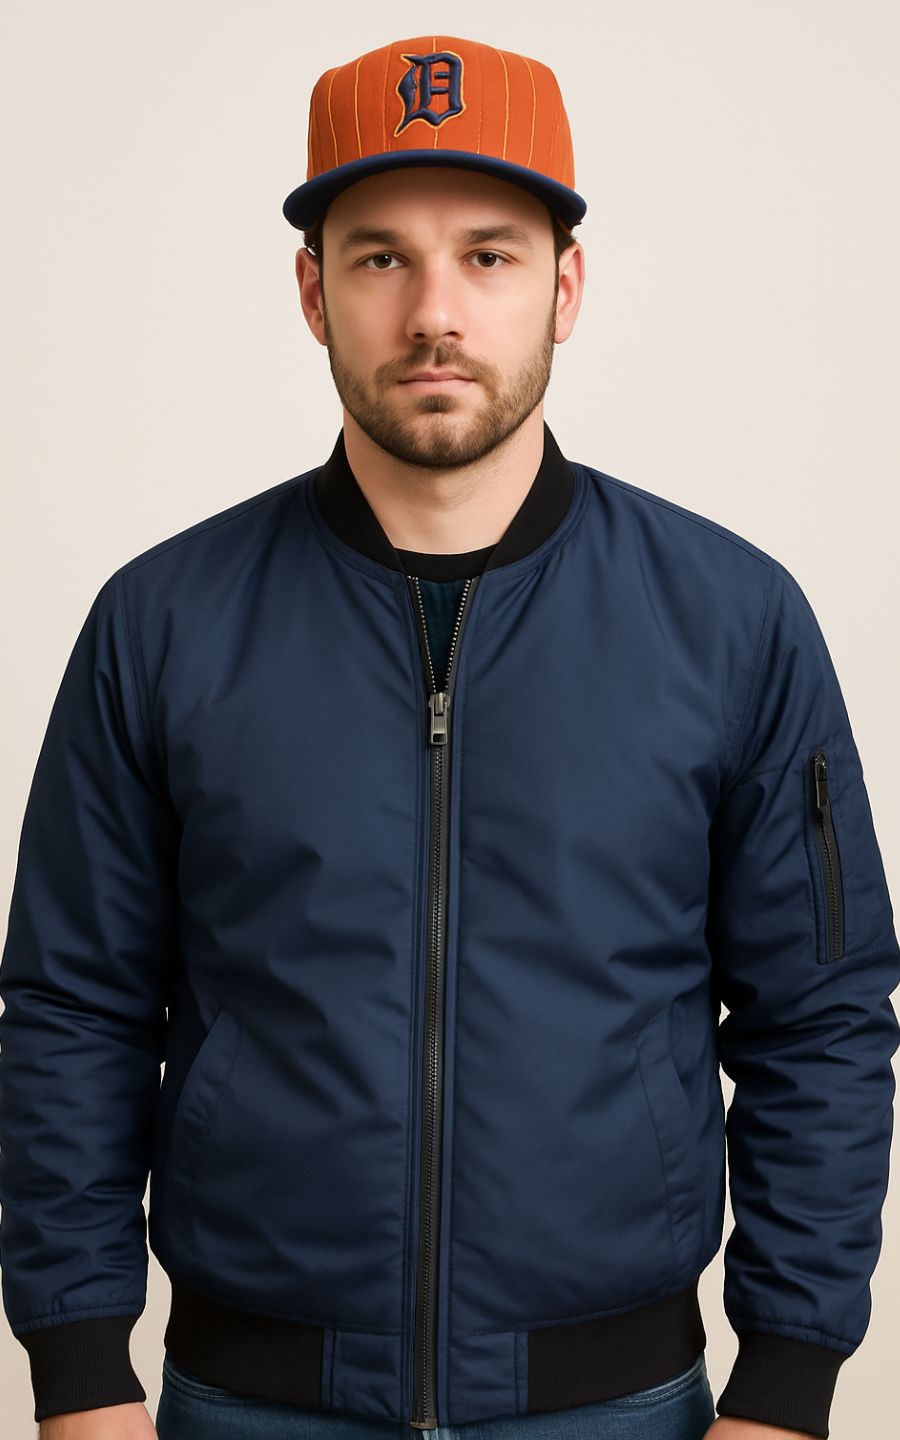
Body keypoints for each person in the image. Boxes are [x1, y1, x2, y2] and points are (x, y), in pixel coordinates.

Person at [0, 31, 897, 1440]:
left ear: (566, 286)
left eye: (488, 256)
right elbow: (71, 1008)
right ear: (312, 290)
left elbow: (823, 1013)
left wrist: (787, 1384)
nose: (435, 313)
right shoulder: (162, 621)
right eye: (381, 258)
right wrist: (78, 1371)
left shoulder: (733, 620)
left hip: (618, 1405)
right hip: (248, 1400)